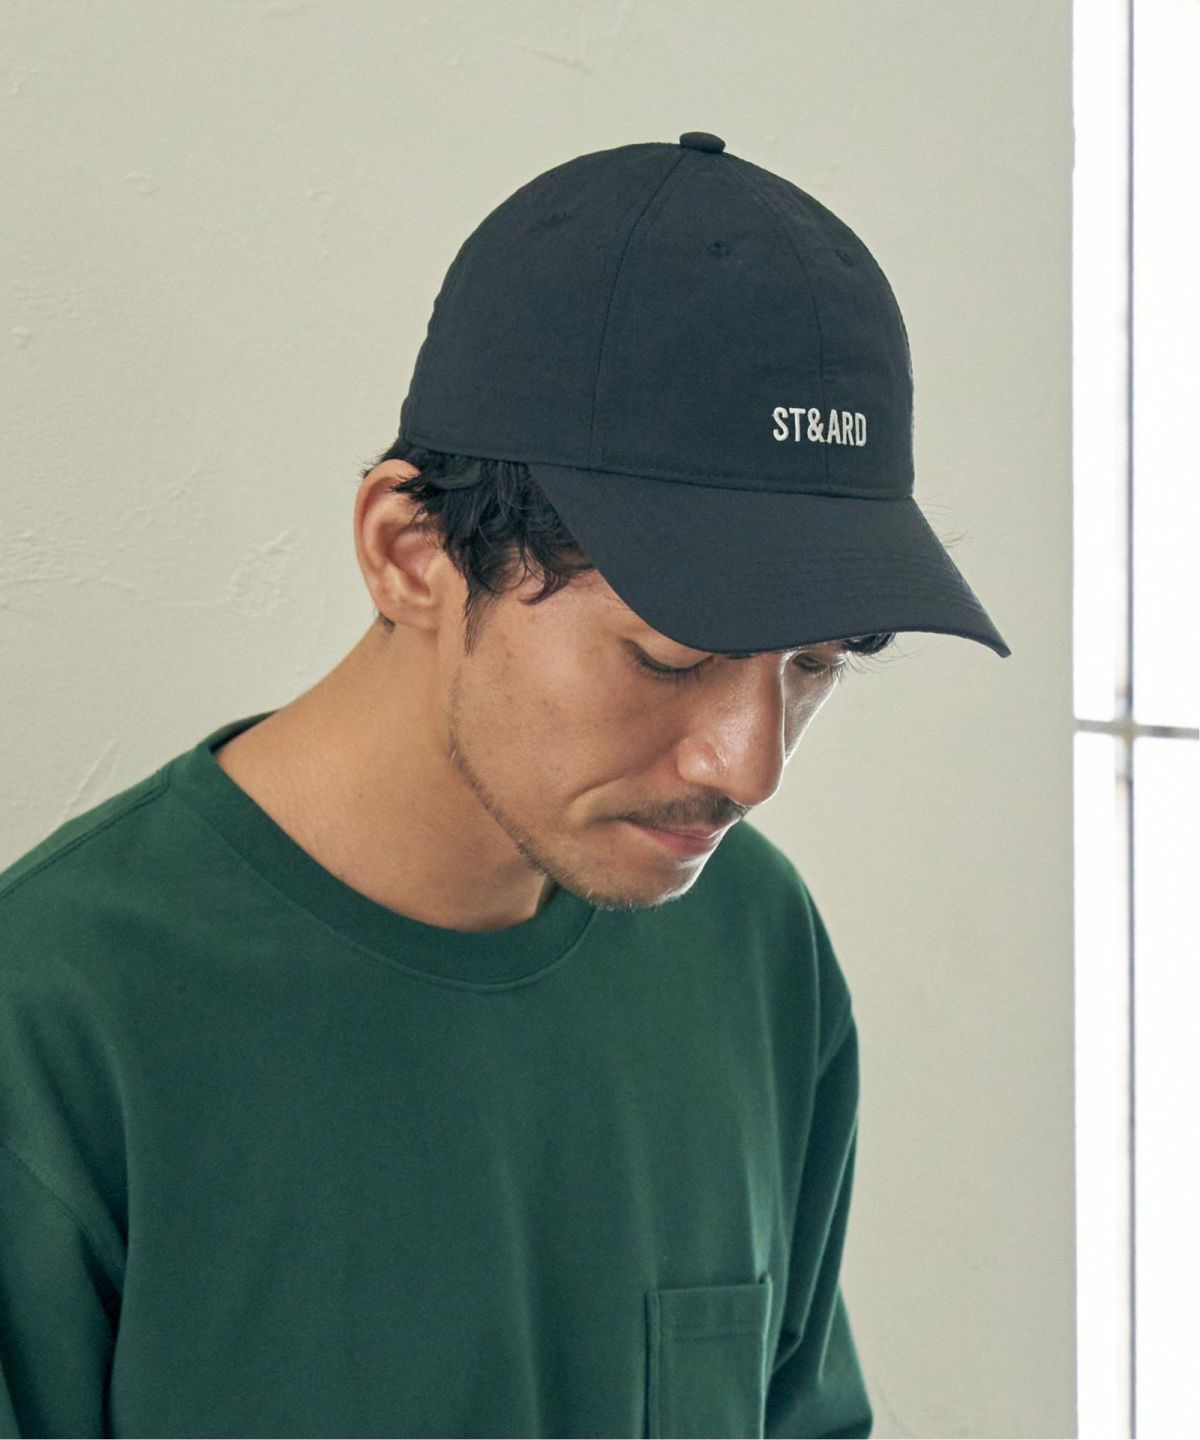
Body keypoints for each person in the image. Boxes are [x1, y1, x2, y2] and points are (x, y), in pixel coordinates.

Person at [0, 131, 1009, 1439]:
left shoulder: (752, 942)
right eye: (670, 656)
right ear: (412, 553)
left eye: (814, 665)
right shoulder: (55, 1019)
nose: (749, 766)